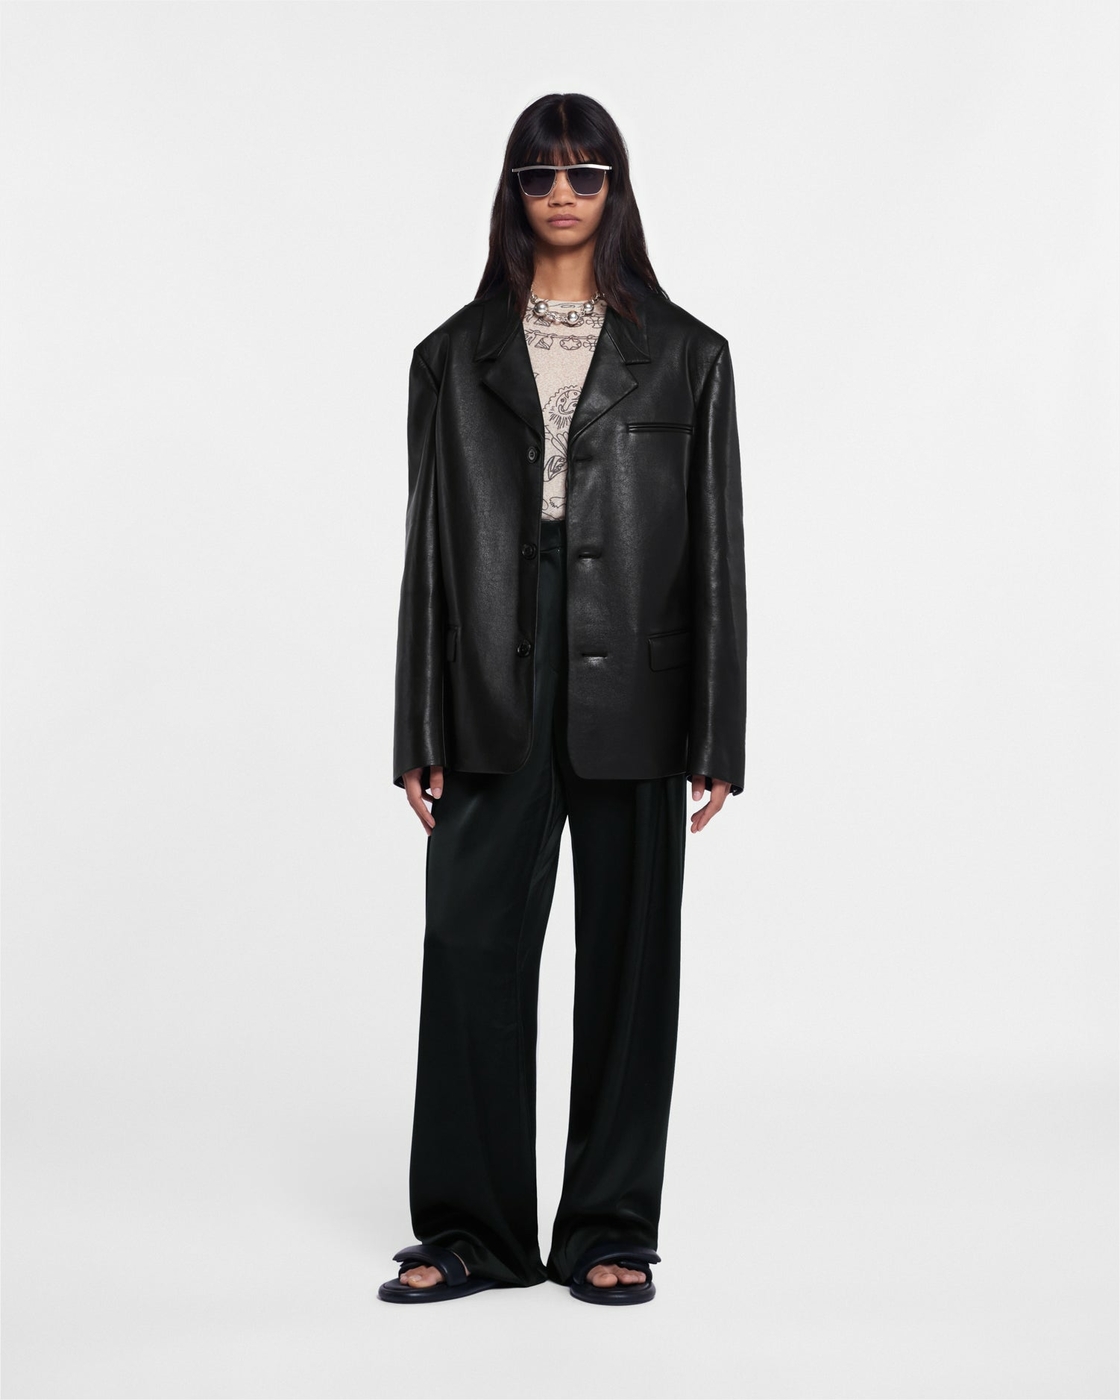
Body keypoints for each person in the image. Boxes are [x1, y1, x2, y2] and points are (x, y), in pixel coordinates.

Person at [378, 92, 747, 1307]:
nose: (562, 194)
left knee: (630, 959)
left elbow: (716, 549)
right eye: (539, 174)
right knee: (470, 944)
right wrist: (416, 723)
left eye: (586, 173)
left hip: (637, 671)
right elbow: (429, 551)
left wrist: (718, 727)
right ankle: (473, 1229)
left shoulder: (687, 355)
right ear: (513, 191)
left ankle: (607, 1225)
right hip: (490, 662)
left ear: (616, 189)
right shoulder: (450, 355)